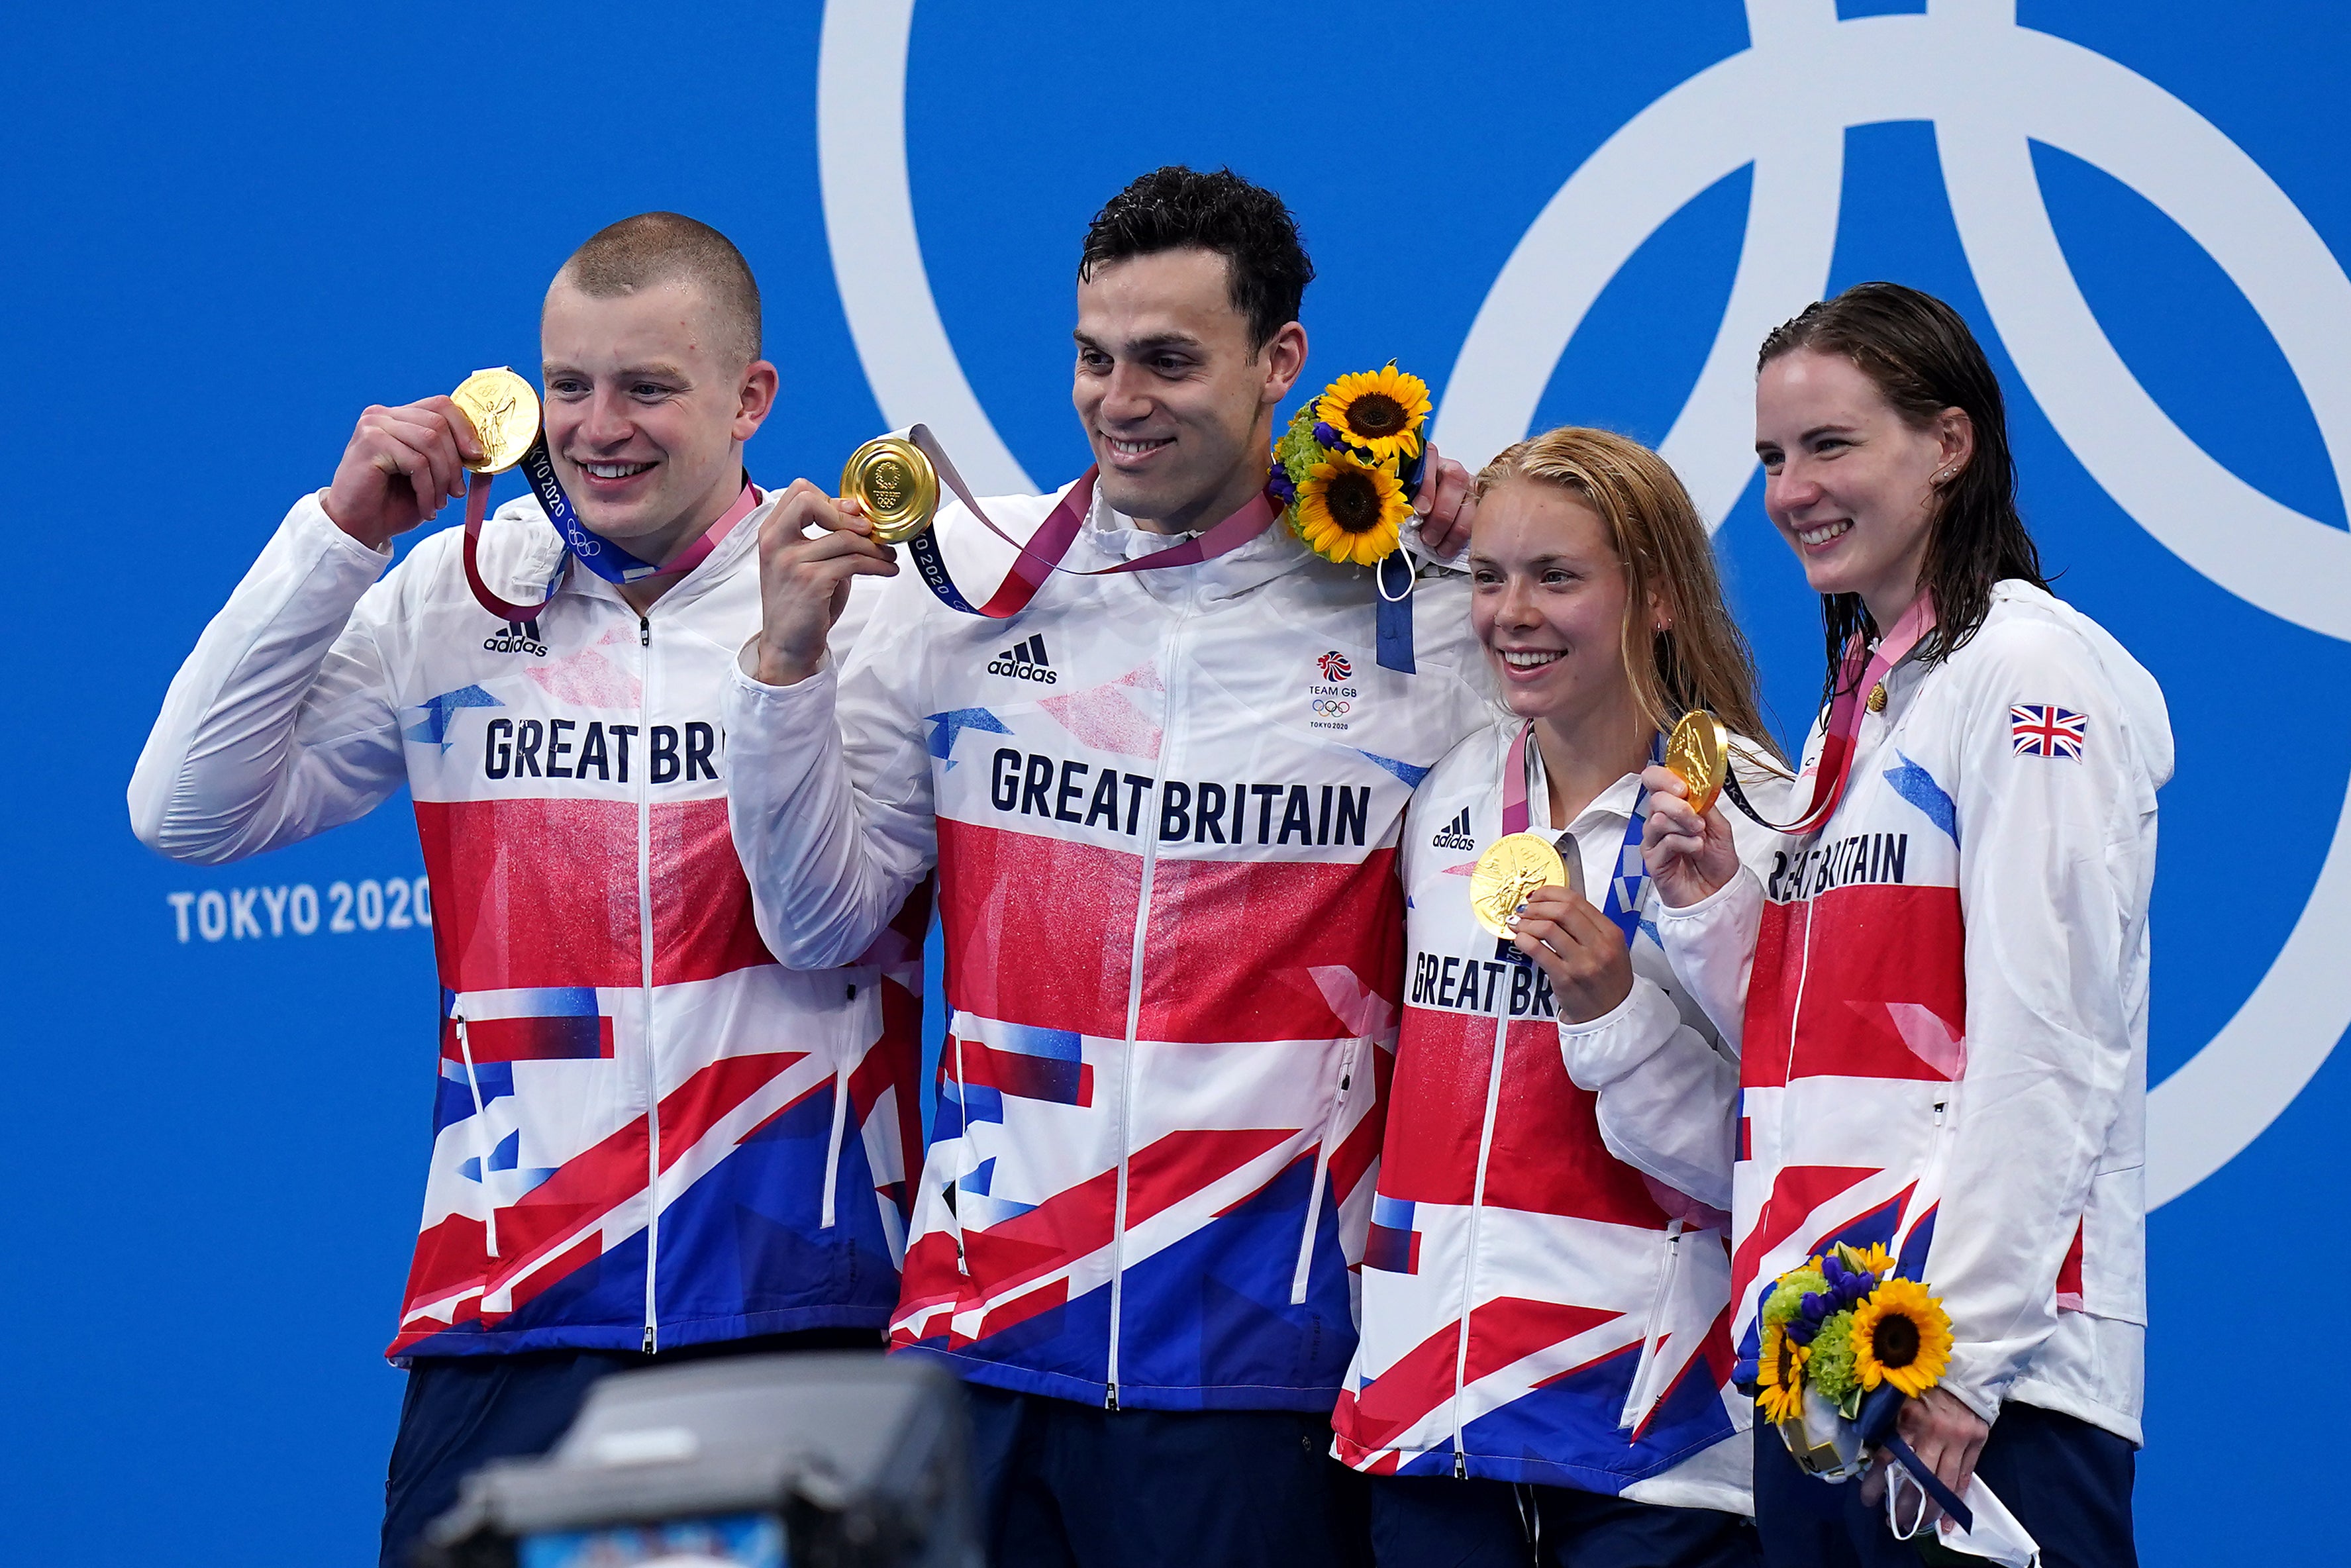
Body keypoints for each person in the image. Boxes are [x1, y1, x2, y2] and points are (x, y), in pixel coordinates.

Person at [128, 214, 925, 1568]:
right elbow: (185, 810)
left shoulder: (870, 605)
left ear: (750, 398)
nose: (596, 427)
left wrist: (782, 668)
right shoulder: (455, 595)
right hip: (509, 1312)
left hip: (797, 1308)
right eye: (569, 385)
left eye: (647, 388)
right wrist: (338, 538)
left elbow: (824, 925)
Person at [723, 166, 1492, 1566]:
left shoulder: (1419, 623)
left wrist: (1494, 537)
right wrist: (783, 668)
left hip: (1263, 1360)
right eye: (1093, 356)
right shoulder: (961, 583)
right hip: (981, 1339)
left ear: (1280, 364)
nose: (1116, 397)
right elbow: (821, 920)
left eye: (1166, 360)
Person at [1637, 282, 2168, 1567]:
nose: (1789, 489)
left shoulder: (2022, 674)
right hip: (1819, 1367)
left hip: (1975, 1385)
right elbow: (1801, 1047)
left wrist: (1964, 1355)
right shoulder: (1855, 711)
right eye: (1769, 456)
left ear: (1946, 443)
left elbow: (2052, 1036)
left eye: (1829, 445)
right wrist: (1715, 894)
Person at [1332, 427, 1781, 1567]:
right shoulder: (1446, 801)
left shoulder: (1752, 822)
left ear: (1661, 598)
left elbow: (1773, 1169)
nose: (1510, 613)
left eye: (1557, 577)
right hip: (1432, 1430)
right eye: (1487, 576)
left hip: (1649, 1446)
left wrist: (1613, 1012)